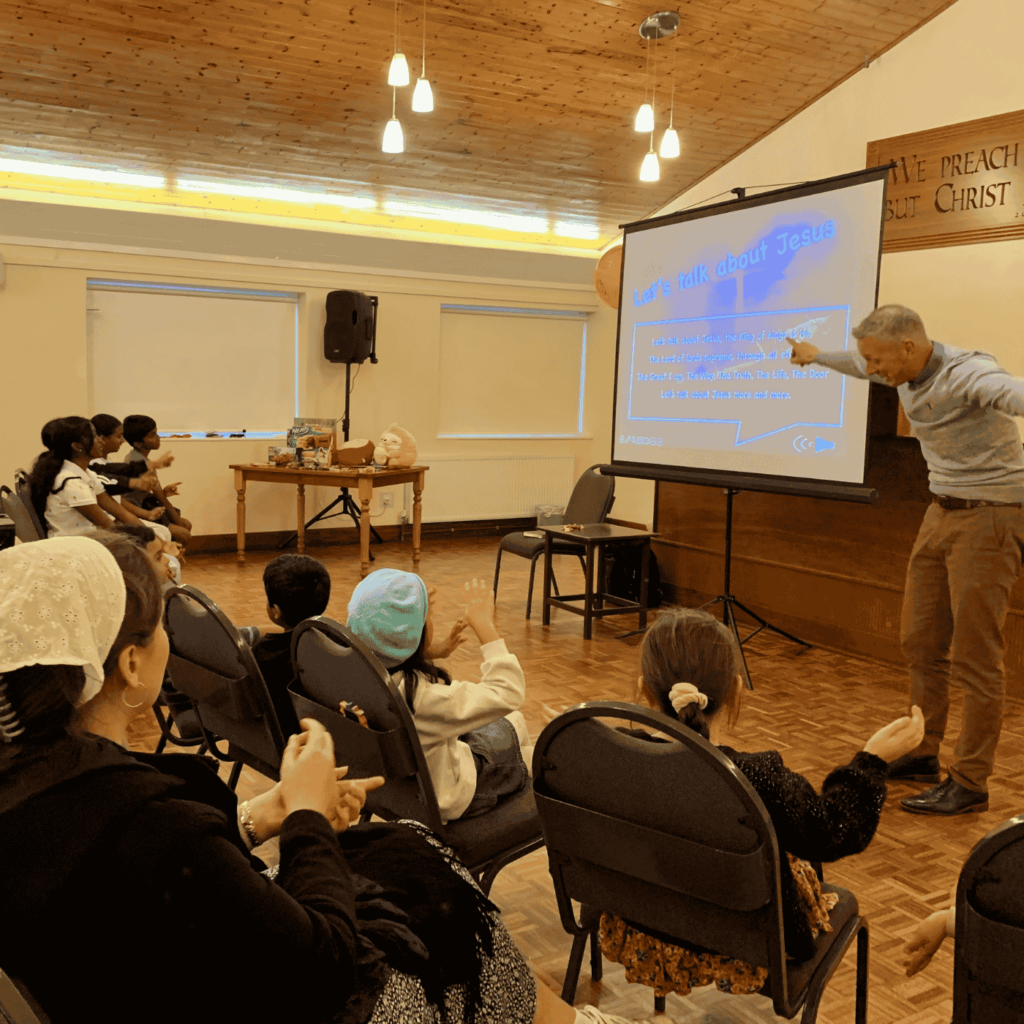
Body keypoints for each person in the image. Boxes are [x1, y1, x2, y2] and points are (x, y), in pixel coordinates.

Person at [0, 535, 665, 1024]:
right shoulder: (156, 822)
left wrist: (268, 811)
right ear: (132, 664)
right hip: (288, 993)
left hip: (158, 974)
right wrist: (308, 821)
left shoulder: (43, 784)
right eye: (160, 628)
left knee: (405, 846)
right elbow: (323, 969)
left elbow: (170, 870)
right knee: (452, 915)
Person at [597, 606, 924, 1001]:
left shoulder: (608, 758)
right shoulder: (755, 778)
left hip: (640, 925)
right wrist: (872, 761)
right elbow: (834, 830)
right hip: (746, 942)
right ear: (736, 691)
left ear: (644, 690)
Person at [789, 304, 1024, 816]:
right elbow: (856, 364)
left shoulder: (968, 373)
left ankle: (971, 781)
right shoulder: (898, 366)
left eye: (878, 360)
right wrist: (815, 355)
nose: (872, 370)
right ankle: (921, 751)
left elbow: (1011, 393)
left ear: (909, 347)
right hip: (940, 510)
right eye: (869, 360)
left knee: (976, 656)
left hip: (991, 516)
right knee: (920, 640)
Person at [346, 570, 532, 823]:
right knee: (522, 730)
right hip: (448, 797)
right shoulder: (420, 699)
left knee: (513, 723)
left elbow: (381, 649)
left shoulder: (349, 673)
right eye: (428, 617)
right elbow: (508, 690)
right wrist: (484, 624)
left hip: (392, 787)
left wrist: (429, 651)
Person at [28, 416, 164, 538]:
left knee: (154, 541)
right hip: (76, 547)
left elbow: (122, 514)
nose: (100, 440)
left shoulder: (87, 474)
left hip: (91, 539)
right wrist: (152, 543)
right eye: (94, 436)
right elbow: (108, 527)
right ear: (77, 446)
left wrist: (158, 543)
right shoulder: (72, 483)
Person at [252, 553, 333, 736]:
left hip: (284, 737)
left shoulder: (265, 651)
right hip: (324, 734)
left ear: (276, 611)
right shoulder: (335, 645)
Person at [122, 413, 192, 546]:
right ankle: (169, 554)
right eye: (152, 435)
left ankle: (171, 555)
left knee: (186, 525)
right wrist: (179, 524)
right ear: (137, 443)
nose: (158, 438)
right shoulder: (142, 464)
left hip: (142, 506)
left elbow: (154, 494)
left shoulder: (134, 456)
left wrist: (164, 492)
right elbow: (162, 499)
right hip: (135, 512)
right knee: (184, 532)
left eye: (156, 433)